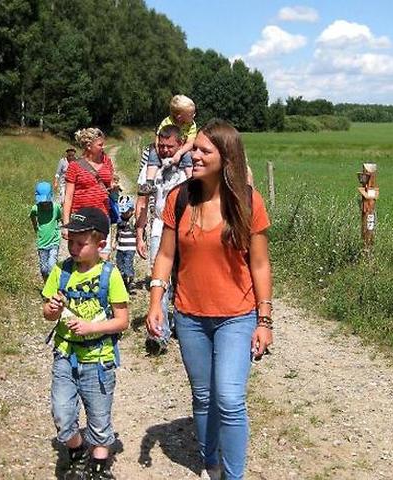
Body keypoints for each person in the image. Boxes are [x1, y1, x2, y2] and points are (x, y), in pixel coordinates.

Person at [145, 119, 273, 480]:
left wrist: (264, 320)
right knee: (203, 397)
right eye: (194, 149)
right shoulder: (180, 198)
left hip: (237, 316)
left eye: (204, 150)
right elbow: (165, 255)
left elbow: (260, 265)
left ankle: (233, 476)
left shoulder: (248, 202)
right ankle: (211, 462)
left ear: (226, 157)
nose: (195, 156)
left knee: (229, 399)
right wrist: (155, 301)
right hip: (189, 316)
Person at [42, 207, 129, 480]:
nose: (74, 248)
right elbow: (47, 313)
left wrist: (92, 327)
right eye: (71, 242)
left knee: (99, 419)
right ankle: (77, 450)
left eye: (81, 243)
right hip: (65, 356)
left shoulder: (110, 275)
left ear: (100, 244)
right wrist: (52, 309)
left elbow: (122, 321)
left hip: (99, 360)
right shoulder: (61, 271)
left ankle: (99, 467)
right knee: (62, 413)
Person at [135, 125, 187, 354]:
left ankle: (184, 324)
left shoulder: (189, 168)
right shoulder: (151, 168)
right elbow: (142, 201)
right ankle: (159, 332)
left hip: (185, 228)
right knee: (159, 279)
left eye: (170, 146)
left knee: (183, 279)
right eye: (162, 146)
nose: (165, 150)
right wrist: (139, 233)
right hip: (159, 227)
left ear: (180, 144)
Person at [63, 128, 114, 260]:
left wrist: (113, 187)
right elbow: (68, 197)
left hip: (102, 215)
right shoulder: (75, 166)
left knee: (103, 255)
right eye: (100, 145)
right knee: (83, 257)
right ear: (89, 146)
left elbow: (110, 183)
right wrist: (66, 224)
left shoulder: (107, 161)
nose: (103, 148)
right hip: (82, 218)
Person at [140, 95, 196, 194]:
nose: (194, 115)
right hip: (162, 151)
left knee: (187, 155)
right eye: (191, 114)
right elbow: (158, 137)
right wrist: (159, 152)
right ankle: (149, 182)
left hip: (182, 149)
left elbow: (191, 142)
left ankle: (191, 180)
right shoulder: (166, 122)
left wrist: (179, 153)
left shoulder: (191, 125)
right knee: (153, 153)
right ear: (180, 117)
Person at [30, 181, 62, 281]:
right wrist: (35, 227)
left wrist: (61, 228)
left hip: (54, 241)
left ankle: (54, 284)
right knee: (44, 269)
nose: (44, 204)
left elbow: (60, 218)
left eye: (46, 201)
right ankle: (46, 284)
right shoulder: (35, 208)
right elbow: (32, 216)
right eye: (42, 202)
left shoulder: (56, 207)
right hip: (42, 243)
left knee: (52, 265)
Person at [115, 195, 136, 292]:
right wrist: (115, 242)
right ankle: (123, 283)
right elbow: (117, 232)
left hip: (130, 248)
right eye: (122, 212)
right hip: (120, 247)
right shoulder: (120, 221)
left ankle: (131, 282)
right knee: (120, 266)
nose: (124, 214)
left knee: (128, 265)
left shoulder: (133, 220)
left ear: (132, 210)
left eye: (126, 212)